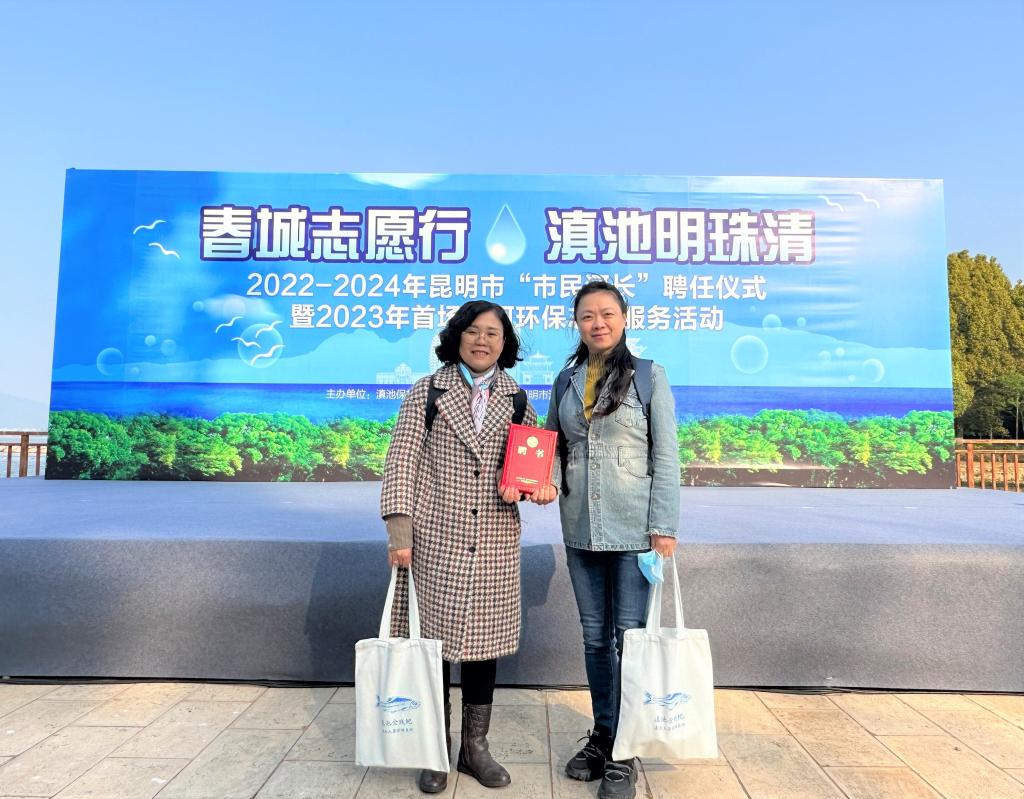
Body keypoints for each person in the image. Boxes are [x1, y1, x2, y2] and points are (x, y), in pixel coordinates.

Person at [380, 300, 539, 794]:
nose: (482, 340)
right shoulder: (427, 391)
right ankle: (435, 747)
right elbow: (401, 460)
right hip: (435, 538)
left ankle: (475, 748)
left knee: (483, 648)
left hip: (493, 540)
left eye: (493, 333)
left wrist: (533, 485)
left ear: (505, 344)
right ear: (457, 337)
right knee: (432, 647)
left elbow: (535, 460)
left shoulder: (517, 398)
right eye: (473, 330)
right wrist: (400, 531)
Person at [533, 280, 680, 799]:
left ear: (624, 318)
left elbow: (666, 455)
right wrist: (547, 480)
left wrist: (664, 526)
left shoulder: (649, 376)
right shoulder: (566, 379)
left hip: (635, 527)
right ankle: (603, 733)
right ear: (576, 324)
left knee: (629, 638)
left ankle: (626, 749)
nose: (598, 323)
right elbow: (552, 442)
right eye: (587, 316)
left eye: (607, 313)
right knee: (595, 637)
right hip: (580, 526)